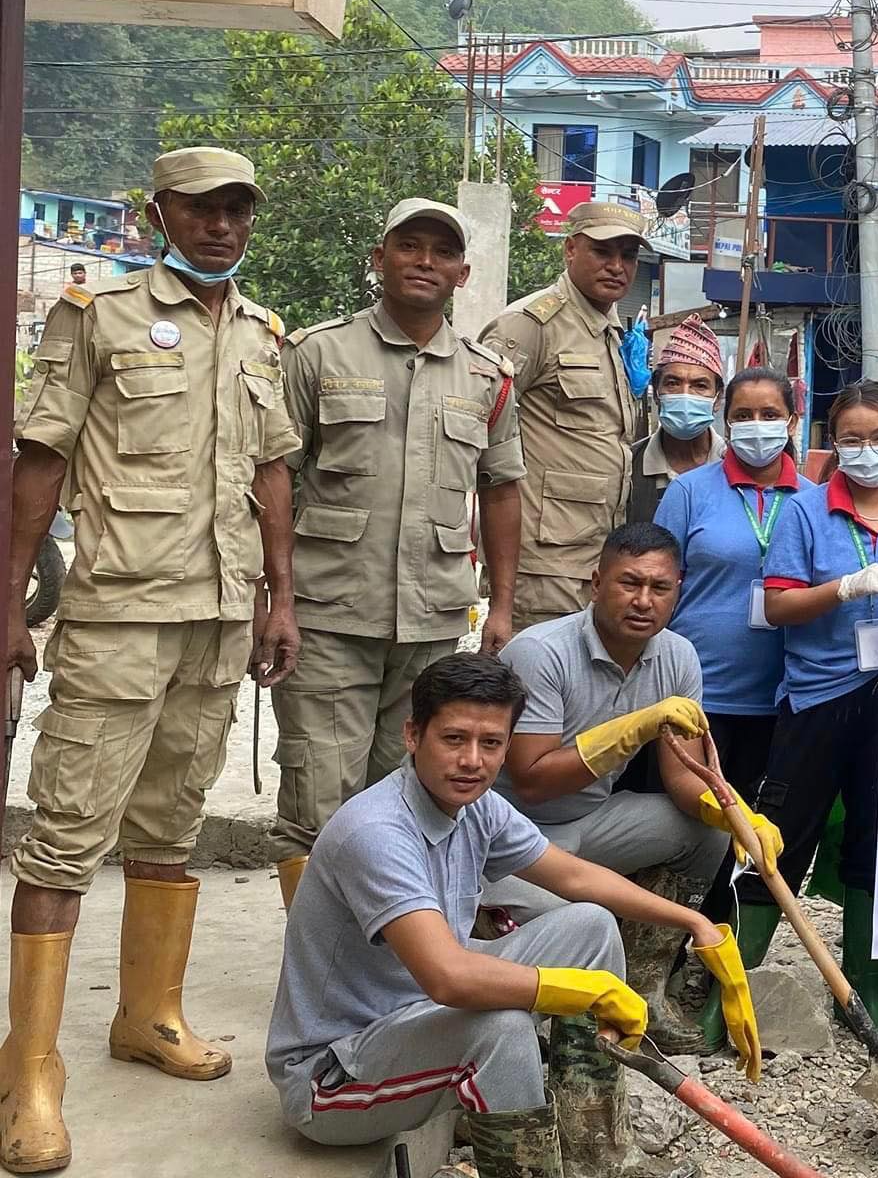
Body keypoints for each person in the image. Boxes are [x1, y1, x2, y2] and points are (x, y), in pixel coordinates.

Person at [0, 146, 300, 1174]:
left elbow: (270, 475)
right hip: (119, 618)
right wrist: (12, 604)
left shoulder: (263, 335)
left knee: (170, 826)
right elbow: (39, 462)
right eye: (200, 209)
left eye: (236, 211)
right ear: (158, 212)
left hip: (219, 623)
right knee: (65, 839)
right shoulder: (99, 317)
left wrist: (280, 598)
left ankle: (148, 1014)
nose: (220, 226)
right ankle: (30, 1068)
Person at [264, 653, 761, 1174]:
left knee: (589, 926)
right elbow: (448, 979)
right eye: (453, 739)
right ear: (412, 735)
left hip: (415, 1022)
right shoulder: (377, 833)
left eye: (491, 743)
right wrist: (586, 991)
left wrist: (696, 923)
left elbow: (573, 877)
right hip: (332, 1076)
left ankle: (596, 1150)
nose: (472, 760)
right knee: (500, 1028)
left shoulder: (473, 805)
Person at [270, 199, 523, 911]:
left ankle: (391, 969)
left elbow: (502, 491)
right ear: (378, 260)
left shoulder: (486, 375)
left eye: (440, 252)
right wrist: (278, 600)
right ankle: (320, 979)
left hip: (433, 626)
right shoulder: (318, 353)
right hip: (327, 619)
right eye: (407, 246)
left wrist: (500, 606)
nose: (424, 261)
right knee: (318, 803)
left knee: (412, 801)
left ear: (462, 273)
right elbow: (274, 478)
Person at [701, 381, 878, 1054]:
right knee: (773, 840)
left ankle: (864, 987)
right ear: (831, 440)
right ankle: (736, 981)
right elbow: (778, 608)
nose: (867, 450)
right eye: (852, 438)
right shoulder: (806, 514)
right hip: (815, 699)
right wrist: (843, 587)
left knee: (875, 846)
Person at [485, 522, 781, 1054]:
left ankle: (646, 991)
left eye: (659, 588)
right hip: (512, 841)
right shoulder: (542, 653)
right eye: (629, 583)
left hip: (589, 824)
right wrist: (632, 730)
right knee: (576, 923)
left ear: (677, 593)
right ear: (596, 583)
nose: (643, 601)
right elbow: (531, 782)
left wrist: (733, 816)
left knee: (702, 835)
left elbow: (683, 779)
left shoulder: (677, 657)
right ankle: (552, 1026)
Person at [651, 366, 806, 837]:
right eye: (743, 414)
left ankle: (731, 915)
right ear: (725, 420)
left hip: (779, 698)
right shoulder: (689, 491)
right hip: (698, 695)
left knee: (756, 835)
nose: (756, 425)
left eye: (769, 413)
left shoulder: (814, 501)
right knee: (688, 828)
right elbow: (658, 584)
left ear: (792, 422)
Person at [482, 200, 645, 633]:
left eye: (628, 255)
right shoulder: (530, 325)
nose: (617, 266)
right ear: (570, 249)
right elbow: (477, 432)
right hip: (542, 565)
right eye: (602, 252)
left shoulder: (610, 330)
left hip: (598, 558)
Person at [627, 316, 726, 524]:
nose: (685, 394)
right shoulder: (628, 465)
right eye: (673, 383)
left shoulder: (733, 464)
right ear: (656, 393)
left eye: (700, 385)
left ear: (717, 398)